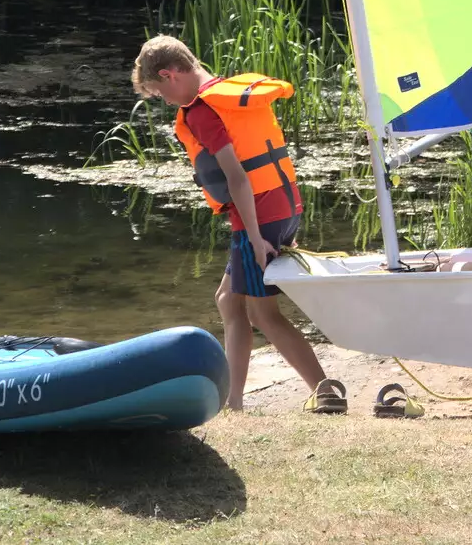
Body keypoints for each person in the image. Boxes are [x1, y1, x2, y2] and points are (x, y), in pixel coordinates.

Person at [131, 36, 346, 414]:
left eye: (160, 91)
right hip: (282, 203)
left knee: (263, 314)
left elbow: (237, 177)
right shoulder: (225, 95)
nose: (165, 101)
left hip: (258, 216)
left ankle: (323, 391)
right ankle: (234, 402)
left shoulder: (202, 111)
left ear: (170, 74)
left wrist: (254, 235)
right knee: (228, 301)